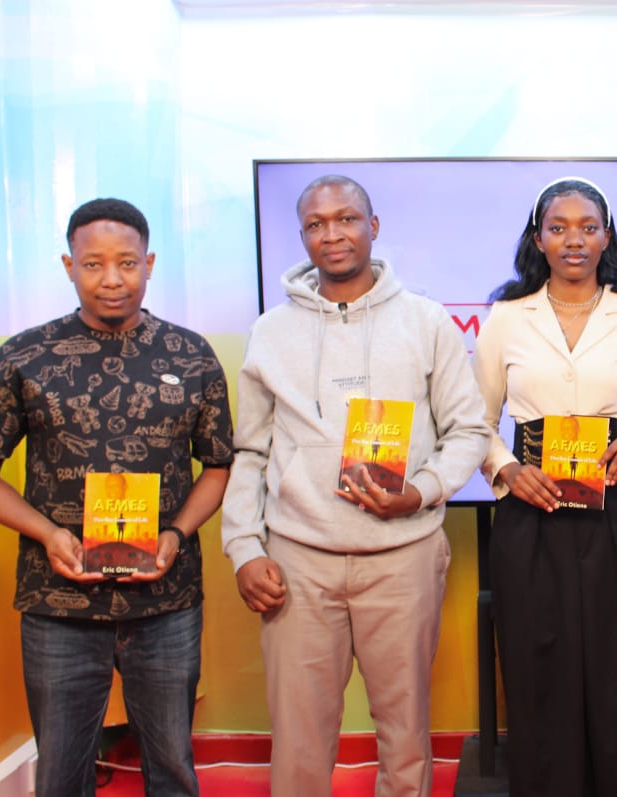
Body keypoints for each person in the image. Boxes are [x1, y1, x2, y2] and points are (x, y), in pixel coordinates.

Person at [0, 198, 235, 796]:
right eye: (93, 264)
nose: (112, 279)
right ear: (69, 266)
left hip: (165, 598)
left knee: (173, 768)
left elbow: (218, 466)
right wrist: (47, 534)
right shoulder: (24, 356)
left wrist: (176, 534)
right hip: (59, 600)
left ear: (149, 264)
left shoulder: (191, 355)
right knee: (60, 773)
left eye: (127, 263)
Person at [220, 174, 488, 797]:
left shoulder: (427, 321)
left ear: (374, 226)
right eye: (316, 224)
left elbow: (469, 429)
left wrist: (421, 490)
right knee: (299, 736)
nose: (332, 234)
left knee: (405, 730)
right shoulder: (270, 332)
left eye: (346, 218)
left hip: (403, 556)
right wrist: (244, 548)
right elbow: (250, 452)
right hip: (299, 561)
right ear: (302, 236)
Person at [471, 177, 617, 797]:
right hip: (531, 510)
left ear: (606, 238)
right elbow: (476, 423)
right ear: (538, 238)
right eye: (559, 227)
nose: (574, 240)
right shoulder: (505, 319)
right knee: (541, 666)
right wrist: (506, 470)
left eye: (588, 227)